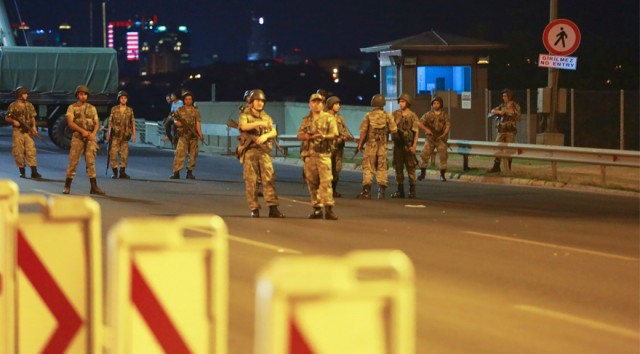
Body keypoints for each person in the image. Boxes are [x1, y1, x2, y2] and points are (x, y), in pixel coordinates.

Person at [237, 89, 285, 218]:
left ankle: (273, 208)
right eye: (257, 100)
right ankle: (254, 208)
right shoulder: (245, 115)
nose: (260, 103)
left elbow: (273, 131)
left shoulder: (266, 116)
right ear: (251, 102)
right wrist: (259, 123)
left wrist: (266, 135)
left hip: (264, 151)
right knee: (251, 181)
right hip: (251, 151)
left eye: (262, 101)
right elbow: (243, 127)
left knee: (269, 179)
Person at [297, 93, 338, 220]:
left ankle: (328, 208)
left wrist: (323, 136)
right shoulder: (306, 119)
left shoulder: (329, 118)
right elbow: (299, 134)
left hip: (323, 155)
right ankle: (317, 208)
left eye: (319, 102)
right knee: (312, 183)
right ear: (310, 104)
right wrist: (308, 136)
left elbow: (334, 134)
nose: (317, 104)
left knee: (326, 182)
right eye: (314, 102)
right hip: (309, 155)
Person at [63, 85, 105, 195]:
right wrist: (82, 131)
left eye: (85, 94)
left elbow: (97, 123)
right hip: (78, 138)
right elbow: (70, 123)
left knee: (91, 162)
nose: (83, 96)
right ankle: (67, 186)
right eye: (81, 94)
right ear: (77, 95)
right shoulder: (72, 107)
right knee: (73, 162)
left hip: (90, 138)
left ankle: (94, 187)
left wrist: (93, 134)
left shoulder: (92, 108)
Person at [356, 94, 397, 199]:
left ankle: (366, 192)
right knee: (382, 167)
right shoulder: (388, 116)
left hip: (371, 145)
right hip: (383, 145)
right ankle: (382, 191)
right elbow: (394, 131)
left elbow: (363, 131)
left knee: (368, 167)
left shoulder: (368, 115)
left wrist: (360, 144)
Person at [4, 86, 42, 179]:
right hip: (18, 131)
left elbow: (33, 117)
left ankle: (34, 172)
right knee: (18, 151)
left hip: (28, 131)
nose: (26, 95)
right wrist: (14, 121)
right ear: (20, 95)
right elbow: (7, 117)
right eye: (25, 94)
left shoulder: (29, 105)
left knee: (31, 151)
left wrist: (34, 127)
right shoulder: (13, 105)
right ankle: (22, 171)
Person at [391, 93, 419, 198]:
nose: (401, 103)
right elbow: (390, 127)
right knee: (398, 167)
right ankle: (400, 190)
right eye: (400, 101)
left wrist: (414, 146)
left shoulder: (413, 116)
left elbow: (416, 132)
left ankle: (412, 190)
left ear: (408, 103)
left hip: (408, 145)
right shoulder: (395, 114)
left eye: (403, 102)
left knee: (411, 168)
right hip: (398, 145)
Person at [169, 92, 202, 179]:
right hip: (183, 135)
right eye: (186, 99)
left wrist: (200, 134)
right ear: (184, 100)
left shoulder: (196, 111)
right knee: (179, 153)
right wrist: (180, 124)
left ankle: (189, 172)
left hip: (193, 136)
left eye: (190, 99)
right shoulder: (180, 110)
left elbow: (198, 123)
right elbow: (175, 121)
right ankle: (176, 172)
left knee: (193, 155)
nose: (188, 101)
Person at [418, 96, 451, 182]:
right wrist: (426, 130)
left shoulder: (444, 115)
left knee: (443, 156)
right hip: (430, 139)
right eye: (434, 103)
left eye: (437, 103)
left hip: (441, 139)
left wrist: (444, 134)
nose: (435, 105)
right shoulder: (428, 114)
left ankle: (442, 175)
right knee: (425, 155)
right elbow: (420, 123)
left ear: (440, 104)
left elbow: (447, 126)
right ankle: (422, 173)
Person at [488, 89, 521, 173]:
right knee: (498, 147)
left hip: (510, 131)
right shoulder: (502, 105)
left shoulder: (515, 105)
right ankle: (496, 166)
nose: (503, 98)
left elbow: (517, 115)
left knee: (509, 149)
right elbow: (492, 111)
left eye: (505, 96)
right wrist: (499, 112)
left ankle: (508, 168)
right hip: (501, 131)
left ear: (509, 97)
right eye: (503, 96)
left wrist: (506, 111)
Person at [106, 90, 136, 179]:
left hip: (125, 136)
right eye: (122, 98)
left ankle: (122, 172)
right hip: (115, 135)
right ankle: (115, 172)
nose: (123, 100)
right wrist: (108, 134)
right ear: (119, 99)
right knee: (113, 154)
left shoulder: (130, 110)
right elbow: (110, 122)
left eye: (125, 98)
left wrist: (134, 135)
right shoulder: (114, 109)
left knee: (124, 155)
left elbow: (132, 123)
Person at [326, 96, 349, 197]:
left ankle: (334, 190)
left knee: (336, 169)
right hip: (328, 148)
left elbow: (344, 131)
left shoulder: (340, 118)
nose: (338, 106)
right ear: (331, 105)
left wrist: (344, 137)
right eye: (336, 104)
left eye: (339, 104)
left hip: (338, 148)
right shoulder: (325, 117)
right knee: (327, 170)